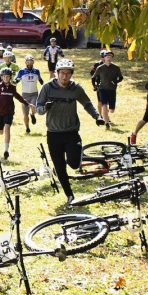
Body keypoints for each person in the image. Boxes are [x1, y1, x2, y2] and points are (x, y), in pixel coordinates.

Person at [36, 59, 104, 203]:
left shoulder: (76, 88)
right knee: (60, 167)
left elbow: (87, 103)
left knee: (73, 163)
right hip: (53, 134)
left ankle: (75, 158)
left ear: (71, 74)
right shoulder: (47, 88)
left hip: (71, 132)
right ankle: (70, 196)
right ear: (57, 73)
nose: (65, 77)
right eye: (62, 73)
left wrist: (97, 116)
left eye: (68, 74)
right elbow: (38, 108)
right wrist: (45, 108)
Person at [0, 67, 35, 159]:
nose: (6, 78)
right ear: (1, 77)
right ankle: (2, 133)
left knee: (7, 128)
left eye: (8, 77)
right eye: (4, 76)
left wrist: (28, 104)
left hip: (9, 112)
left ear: (10, 77)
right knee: (1, 131)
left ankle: (6, 150)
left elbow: (18, 97)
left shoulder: (12, 88)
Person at [92, 50, 123, 129]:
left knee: (111, 109)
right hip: (102, 89)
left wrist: (115, 81)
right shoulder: (100, 68)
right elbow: (93, 78)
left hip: (112, 89)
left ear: (112, 58)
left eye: (110, 57)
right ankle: (106, 123)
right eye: (107, 57)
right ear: (104, 58)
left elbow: (121, 77)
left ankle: (108, 113)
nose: (108, 58)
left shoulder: (116, 68)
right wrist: (95, 86)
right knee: (104, 105)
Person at [16, 54, 44, 134]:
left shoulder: (36, 71)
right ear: (25, 62)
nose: (29, 63)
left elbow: (41, 81)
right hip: (25, 95)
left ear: (33, 62)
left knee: (34, 107)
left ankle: (33, 115)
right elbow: (17, 80)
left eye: (31, 61)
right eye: (28, 61)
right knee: (25, 114)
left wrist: (45, 86)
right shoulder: (21, 71)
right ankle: (27, 128)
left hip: (34, 94)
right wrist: (14, 81)